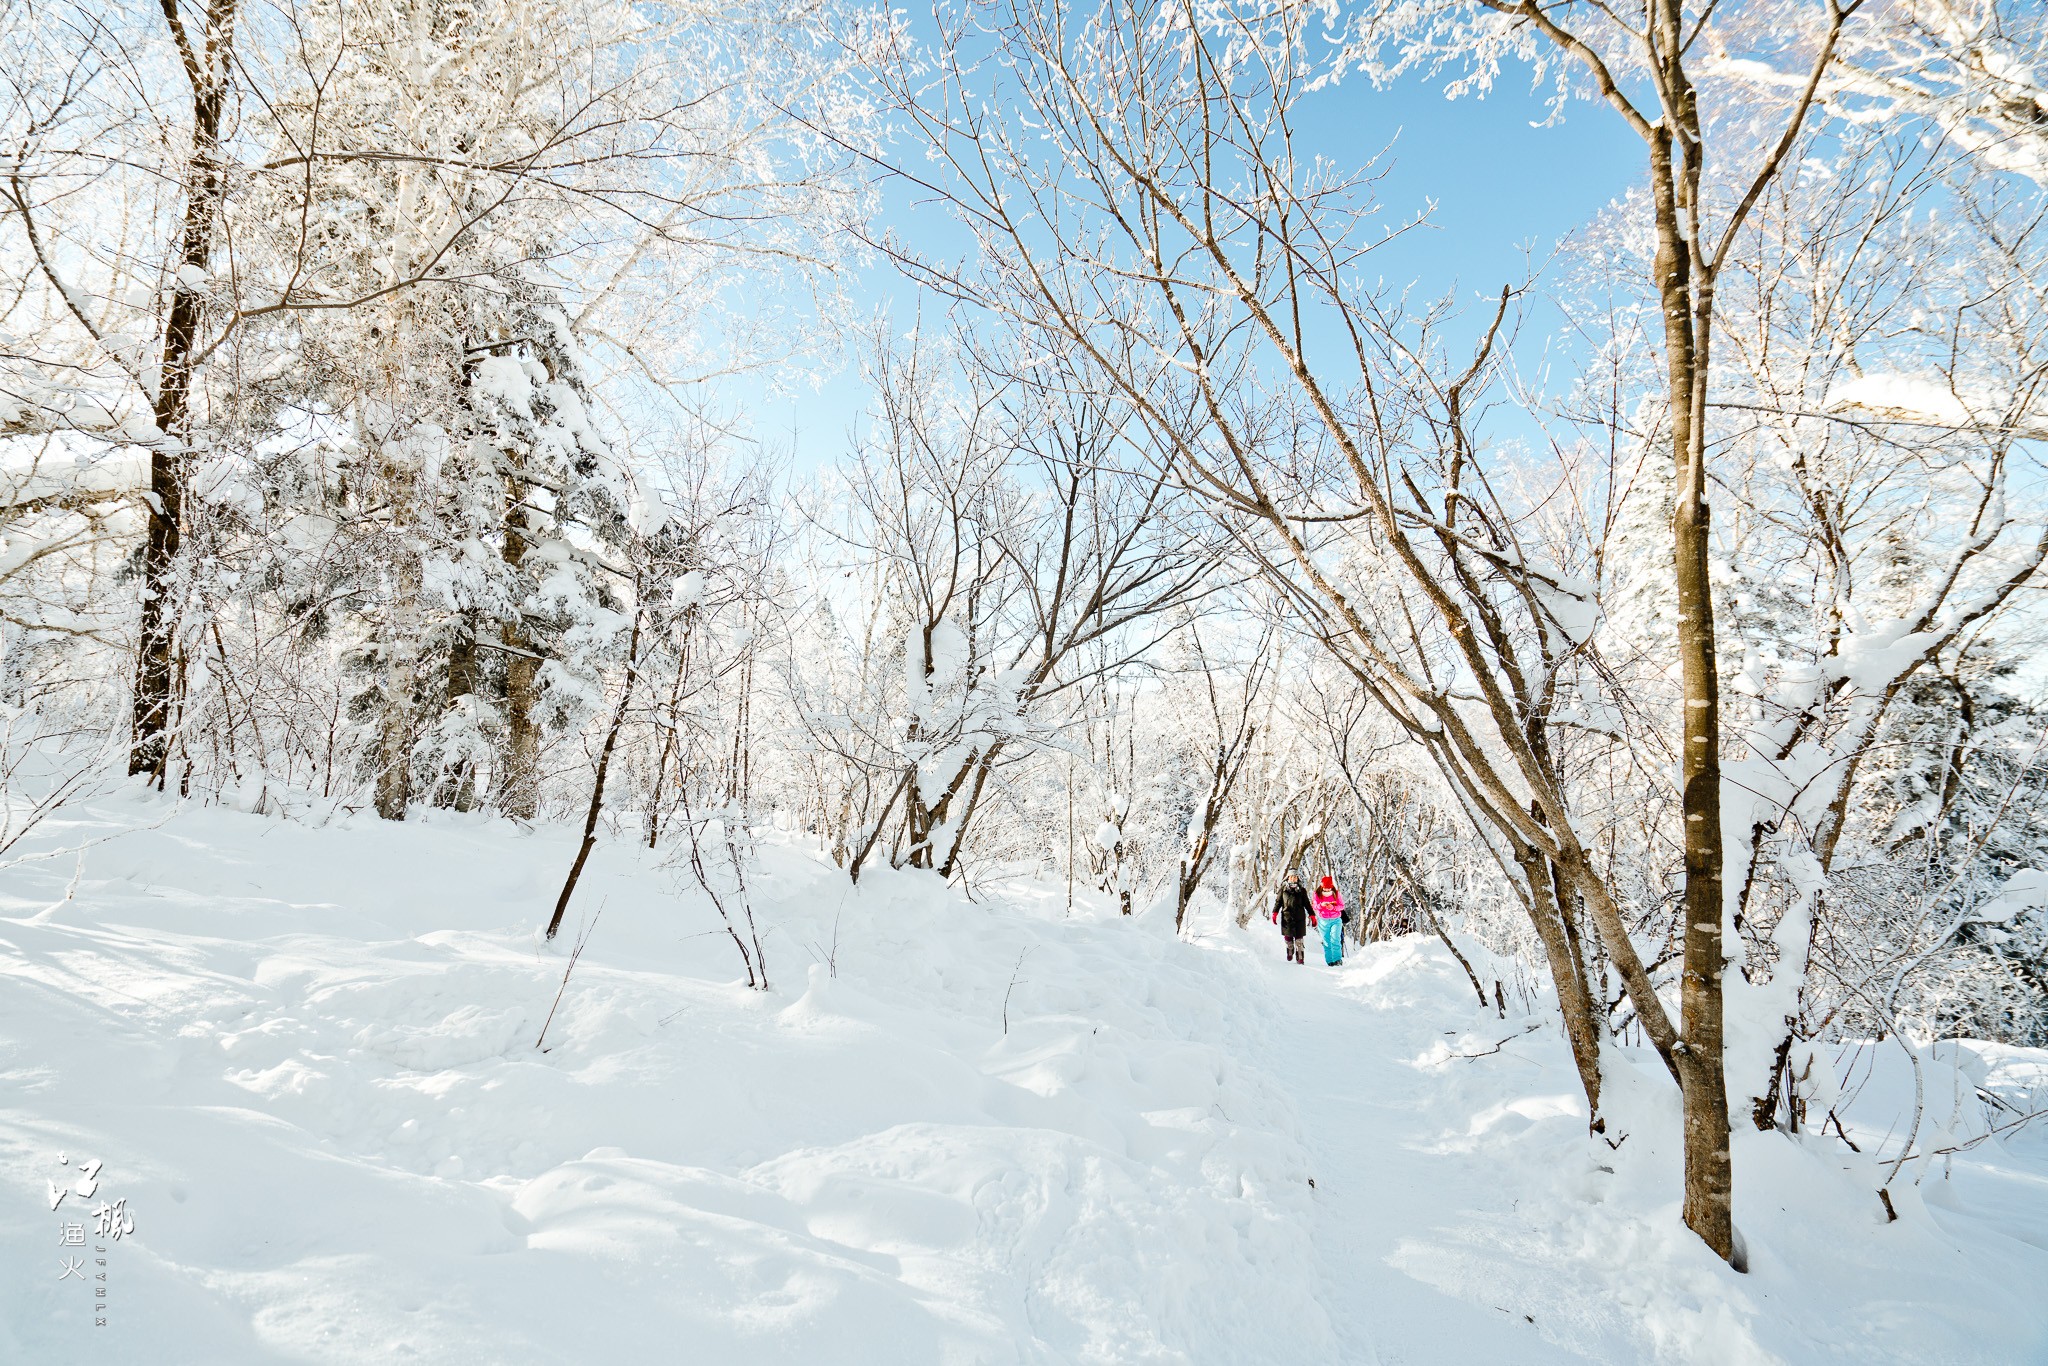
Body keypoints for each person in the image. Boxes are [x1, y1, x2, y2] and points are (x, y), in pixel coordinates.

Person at [1270, 872, 1312, 964]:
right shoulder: (1283, 889)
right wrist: (1275, 913)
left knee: (1299, 940)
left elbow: (1307, 904)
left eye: (1295, 877)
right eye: (1292, 876)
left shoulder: (1302, 890)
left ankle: (1300, 957)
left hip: (1299, 918)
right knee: (1288, 938)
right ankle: (1290, 950)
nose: (1293, 878)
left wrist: (1312, 915)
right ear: (1288, 877)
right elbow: (1278, 902)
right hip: (1287, 918)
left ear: (1298, 878)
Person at [1313, 875, 1346, 966]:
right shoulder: (1317, 894)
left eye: (1329, 888)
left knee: (1335, 939)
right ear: (1322, 886)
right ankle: (1330, 961)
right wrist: (1321, 905)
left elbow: (1341, 906)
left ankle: (1338, 959)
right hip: (1323, 921)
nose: (1327, 890)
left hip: (1336, 920)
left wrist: (1333, 907)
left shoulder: (1336, 893)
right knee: (1327, 942)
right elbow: (1314, 906)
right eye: (1325, 888)